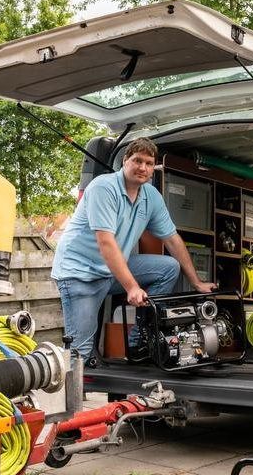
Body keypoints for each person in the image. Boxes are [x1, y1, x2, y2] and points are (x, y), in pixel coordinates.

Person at [51, 137, 217, 363]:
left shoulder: (151, 196)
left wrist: (196, 281)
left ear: (153, 168)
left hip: (111, 270)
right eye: (137, 160)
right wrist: (132, 287)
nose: (143, 167)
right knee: (80, 350)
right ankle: (74, 397)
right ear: (125, 161)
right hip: (81, 274)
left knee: (168, 268)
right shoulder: (103, 187)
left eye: (149, 163)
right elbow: (106, 243)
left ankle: (140, 339)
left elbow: (172, 239)